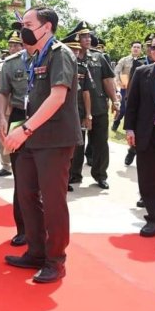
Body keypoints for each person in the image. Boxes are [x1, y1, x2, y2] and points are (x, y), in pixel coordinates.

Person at [3, 7, 82, 284]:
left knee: (53, 201)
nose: (22, 28)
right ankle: (36, 251)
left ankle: (55, 260)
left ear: (46, 26)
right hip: (34, 138)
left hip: (55, 140)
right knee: (26, 194)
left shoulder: (61, 53)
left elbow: (57, 97)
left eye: (27, 23)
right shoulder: (37, 55)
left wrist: (24, 130)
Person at [124, 31, 155, 237]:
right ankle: (154, 219)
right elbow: (131, 104)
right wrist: (129, 128)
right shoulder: (142, 72)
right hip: (148, 134)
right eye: (154, 47)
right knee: (149, 178)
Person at [68, 21, 119, 189]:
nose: (88, 39)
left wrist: (115, 100)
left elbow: (108, 80)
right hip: (75, 107)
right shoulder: (69, 57)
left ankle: (100, 175)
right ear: (76, 38)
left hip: (98, 107)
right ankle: (74, 175)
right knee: (76, 144)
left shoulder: (99, 57)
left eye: (89, 35)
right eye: (83, 36)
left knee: (101, 143)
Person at [0, 29, 29, 246]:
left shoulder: (55, 57)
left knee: (45, 180)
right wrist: (1, 117)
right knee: (23, 178)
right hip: (19, 117)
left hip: (47, 119)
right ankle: (23, 229)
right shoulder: (11, 63)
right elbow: (3, 92)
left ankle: (45, 228)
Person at [60, 33, 93, 192]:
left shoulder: (82, 67)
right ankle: (62, 179)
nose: (75, 53)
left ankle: (71, 176)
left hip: (77, 112)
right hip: (58, 114)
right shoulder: (57, 65)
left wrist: (88, 115)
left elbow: (86, 92)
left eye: (77, 50)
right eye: (71, 49)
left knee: (75, 148)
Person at [125, 34, 155, 167]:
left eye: (151, 46)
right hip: (142, 104)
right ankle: (132, 150)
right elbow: (132, 84)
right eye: (149, 46)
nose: (151, 49)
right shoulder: (139, 63)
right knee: (139, 133)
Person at [112, 41, 142, 131]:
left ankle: (131, 128)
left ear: (141, 49)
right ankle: (115, 124)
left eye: (138, 47)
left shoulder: (143, 61)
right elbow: (116, 72)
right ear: (131, 48)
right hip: (125, 88)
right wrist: (118, 83)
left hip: (137, 89)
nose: (136, 49)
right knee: (123, 109)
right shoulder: (124, 60)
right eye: (134, 47)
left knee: (134, 109)